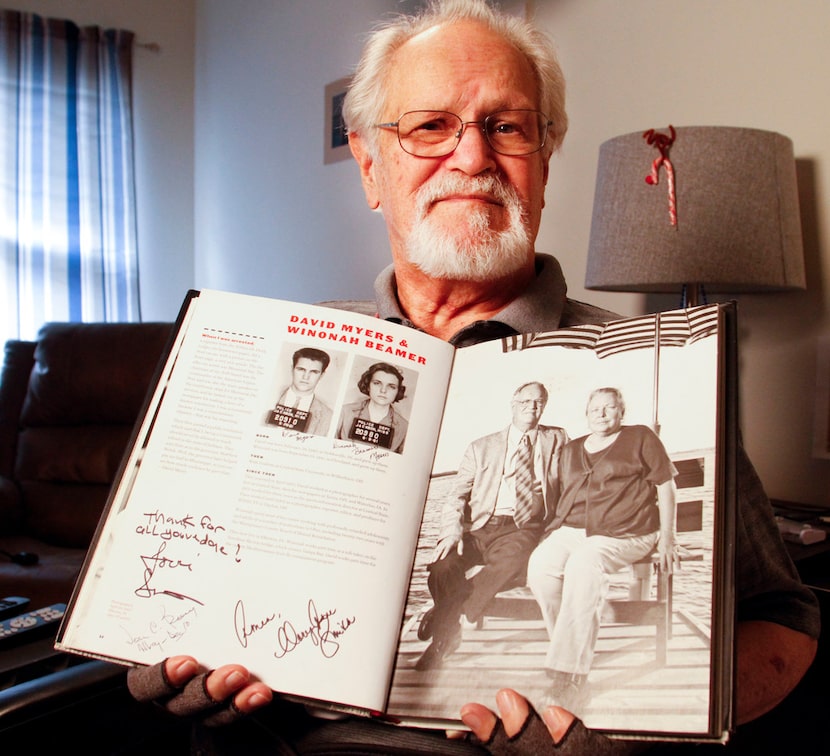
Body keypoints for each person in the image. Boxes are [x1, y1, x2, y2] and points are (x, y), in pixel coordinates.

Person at [127, 1, 819, 753]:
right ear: (369, 165)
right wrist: (156, 647)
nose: (471, 158)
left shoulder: (653, 362)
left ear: (545, 162)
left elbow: (786, 622)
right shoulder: (286, 349)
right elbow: (175, 579)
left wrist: (629, 737)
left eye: (508, 127)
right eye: (431, 126)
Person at [525, 387, 677, 713]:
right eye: (595, 408)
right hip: (574, 529)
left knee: (583, 564)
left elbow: (666, 484)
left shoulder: (640, 437)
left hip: (627, 531)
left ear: (622, 412)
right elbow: (557, 492)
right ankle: (570, 649)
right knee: (540, 568)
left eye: (610, 408)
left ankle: (570, 675)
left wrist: (668, 537)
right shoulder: (573, 448)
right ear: (586, 413)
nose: (602, 414)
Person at [415, 381, 567, 670]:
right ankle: (451, 620)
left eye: (538, 402)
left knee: (514, 559)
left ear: (544, 406)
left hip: (522, 526)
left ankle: (443, 625)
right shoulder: (480, 447)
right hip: (480, 526)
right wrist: (451, 531)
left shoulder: (556, 438)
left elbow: (573, 473)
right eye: (525, 402)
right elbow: (456, 494)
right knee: (442, 566)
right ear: (512, 404)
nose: (531, 407)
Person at [336, 361, 408, 453]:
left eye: (391, 386)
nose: (383, 390)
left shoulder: (404, 426)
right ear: (368, 385)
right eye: (377, 383)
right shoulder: (345, 411)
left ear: (398, 391)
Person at [268, 347, 333, 436]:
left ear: (322, 375)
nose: (306, 377)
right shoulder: (268, 397)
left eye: (314, 372)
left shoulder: (328, 416)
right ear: (292, 369)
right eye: (301, 369)